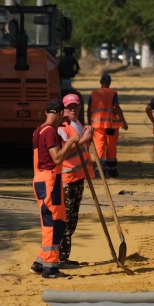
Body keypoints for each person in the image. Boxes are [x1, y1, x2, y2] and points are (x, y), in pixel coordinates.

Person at [29, 99, 79, 279]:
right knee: (54, 223)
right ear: (58, 113)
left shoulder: (39, 130)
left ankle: (40, 262)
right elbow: (57, 158)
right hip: (50, 180)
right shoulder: (50, 132)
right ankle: (50, 269)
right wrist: (72, 140)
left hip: (42, 179)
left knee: (53, 220)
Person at [57, 93, 95, 267]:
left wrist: (88, 138)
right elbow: (65, 152)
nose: (73, 109)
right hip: (67, 179)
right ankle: (61, 258)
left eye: (75, 106)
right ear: (64, 109)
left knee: (73, 219)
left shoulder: (78, 124)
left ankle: (65, 255)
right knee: (65, 219)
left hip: (79, 177)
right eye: (69, 107)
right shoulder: (61, 127)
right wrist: (84, 139)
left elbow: (84, 147)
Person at [88, 73, 128, 178]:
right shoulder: (112, 93)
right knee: (111, 148)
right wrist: (123, 121)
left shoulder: (93, 94)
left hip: (97, 126)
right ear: (109, 83)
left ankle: (99, 171)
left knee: (99, 147)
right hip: (111, 126)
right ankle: (112, 171)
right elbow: (116, 107)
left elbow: (89, 109)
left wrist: (89, 123)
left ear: (100, 82)